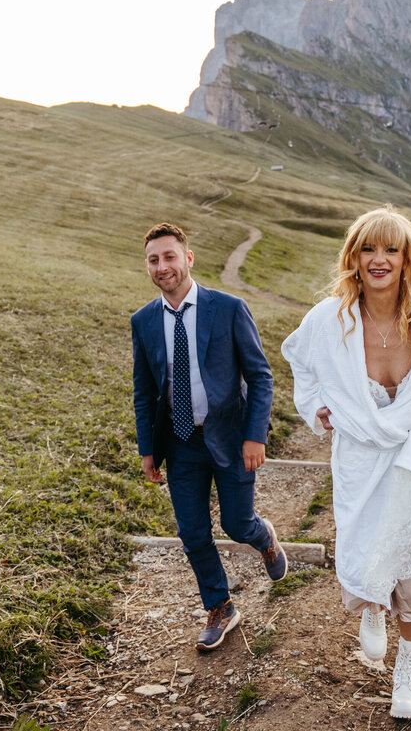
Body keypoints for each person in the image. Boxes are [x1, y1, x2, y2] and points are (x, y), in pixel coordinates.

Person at [280, 206, 411, 719]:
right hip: (360, 456)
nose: (379, 260)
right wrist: (317, 408)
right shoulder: (329, 319)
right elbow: (299, 362)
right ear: (353, 256)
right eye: (369, 249)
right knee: (368, 546)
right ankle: (373, 606)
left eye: (391, 249)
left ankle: (407, 672)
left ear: (406, 258)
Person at [131, 223, 287, 651]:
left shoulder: (229, 308)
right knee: (192, 531)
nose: (162, 267)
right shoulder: (143, 321)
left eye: (169, 256)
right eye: (153, 260)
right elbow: (144, 391)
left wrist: (256, 436)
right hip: (180, 441)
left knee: (237, 524)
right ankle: (220, 606)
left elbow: (260, 375)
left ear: (188, 258)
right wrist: (148, 450)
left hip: (233, 436)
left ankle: (263, 537)